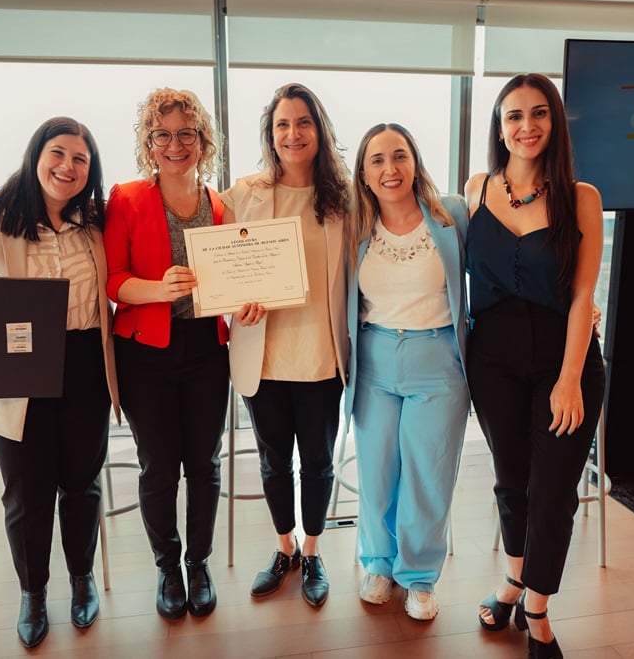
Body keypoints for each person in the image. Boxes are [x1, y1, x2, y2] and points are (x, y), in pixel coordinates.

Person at [0, 116, 119, 648]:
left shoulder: (96, 222)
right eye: (58, 153)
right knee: (25, 492)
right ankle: (32, 592)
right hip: (17, 368)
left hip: (85, 361)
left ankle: (81, 579)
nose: (67, 167)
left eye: (80, 159)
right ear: (36, 154)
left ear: (91, 170)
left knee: (82, 484)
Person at [466, 74, 605, 659]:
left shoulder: (583, 198)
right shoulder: (475, 190)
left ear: (555, 123)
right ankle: (512, 580)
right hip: (491, 358)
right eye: (513, 116)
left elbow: (582, 296)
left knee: (554, 492)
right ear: (499, 127)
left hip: (563, 359)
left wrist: (570, 377)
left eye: (539, 114)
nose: (527, 126)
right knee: (511, 481)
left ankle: (538, 607)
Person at [103, 88, 229, 620]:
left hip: (206, 348)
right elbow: (112, 282)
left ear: (203, 141)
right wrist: (159, 288)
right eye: (163, 135)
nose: (175, 144)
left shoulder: (221, 205)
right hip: (145, 353)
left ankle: (198, 562)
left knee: (204, 463)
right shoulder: (127, 198)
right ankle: (167, 565)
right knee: (158, 467)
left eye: (186, 133)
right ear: (148, 143)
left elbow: (233, 278)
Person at [223, 83, 351, 608]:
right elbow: (221, 265)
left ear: (319, 131)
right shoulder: (242, 193)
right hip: (265, 353)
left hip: (322, 354)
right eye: (282, 124)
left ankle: (315, 551)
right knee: (274, 461)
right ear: (269, 134)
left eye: (302, 123)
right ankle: (284, 548)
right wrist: (236, 302)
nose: (292, 134)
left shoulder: (346, 197)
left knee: (318, 462)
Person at [345, 123, 469, 621]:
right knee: (376, 472)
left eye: (399, 156)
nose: (389, 168)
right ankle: (377, 564)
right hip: (373, 357)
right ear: (364, 173)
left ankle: (418, 575)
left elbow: (498, 273)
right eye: (377, 160)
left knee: (427, 475)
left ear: (415, 161)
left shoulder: (452, 214)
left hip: (438, 359)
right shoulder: (353, 226)